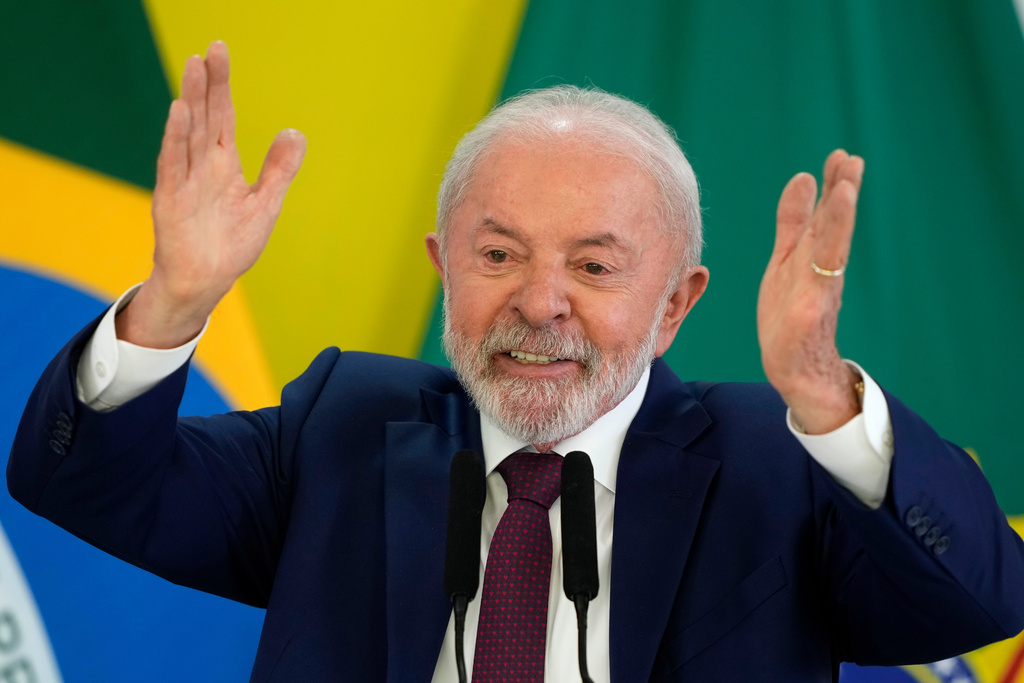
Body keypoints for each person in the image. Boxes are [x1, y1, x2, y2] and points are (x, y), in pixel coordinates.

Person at [8, 41, 1024, 683]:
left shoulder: (775, 460)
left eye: (594, 265)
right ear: (443, 268)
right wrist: (175, 301)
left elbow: (980, 601)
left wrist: (825, 396)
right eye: (497, 255)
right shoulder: (343, 425)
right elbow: (85, 481)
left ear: (675, 304)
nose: (540, 302)